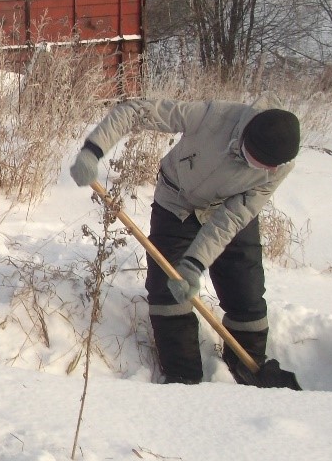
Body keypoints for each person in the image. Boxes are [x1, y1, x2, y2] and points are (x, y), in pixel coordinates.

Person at [69, 99, 300, 386]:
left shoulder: (278, 167)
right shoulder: (212, 117)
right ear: (245, 138)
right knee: (168, 289)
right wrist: (93, 150)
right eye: (255, 162)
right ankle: (183, 377)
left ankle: (248, 370)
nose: (263, 170)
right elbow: (135, 110)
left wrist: (194, 264)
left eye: (269, 168)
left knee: (246, 291)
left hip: (227, 211)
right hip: (177, 203)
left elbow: (231, 218)